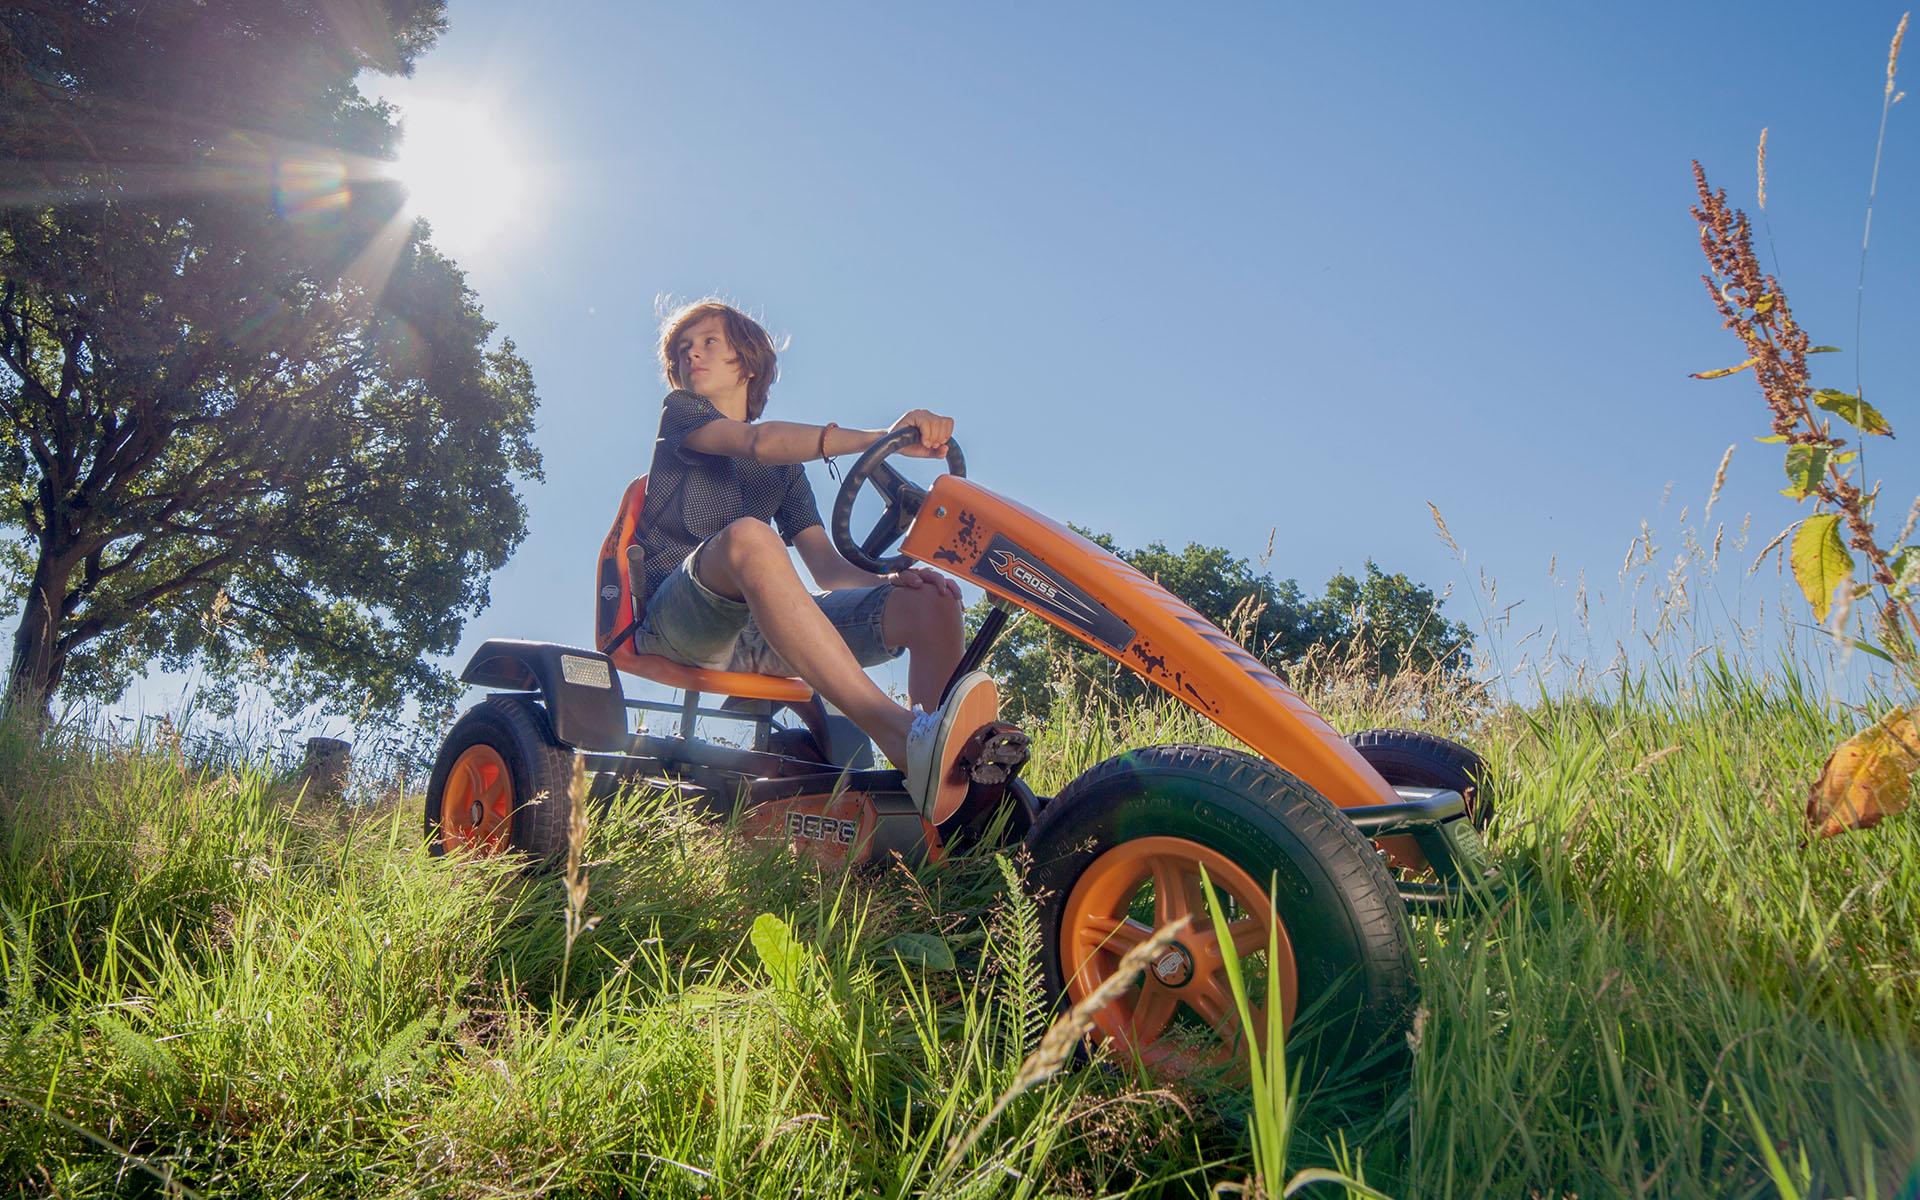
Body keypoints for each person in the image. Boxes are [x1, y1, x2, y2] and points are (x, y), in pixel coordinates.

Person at [628, 298, 997, 819]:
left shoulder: (785, 473)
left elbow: (827, 569)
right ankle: (899, 734)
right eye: (684, 349)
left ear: (748, 363)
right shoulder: (683, 414)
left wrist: (897, 578)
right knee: (753, 538)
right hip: (680, 623)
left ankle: (942, 790)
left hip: (765, 634)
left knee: (930, 601)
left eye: (710, 342)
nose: (692, 356)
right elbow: (756, 442)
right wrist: (884, 438)